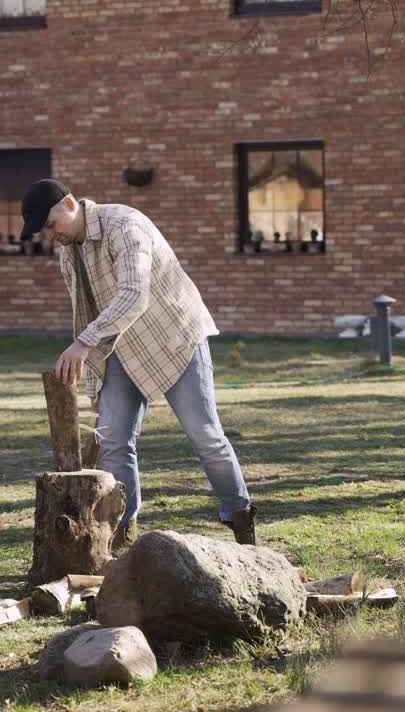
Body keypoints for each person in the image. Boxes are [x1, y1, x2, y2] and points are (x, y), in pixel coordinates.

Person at [17, 179, 256, 552]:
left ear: (69, 203)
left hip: (174, 338)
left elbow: (133, 295)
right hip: (119, 351)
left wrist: (82, 345)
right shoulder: (69, 254)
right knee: (112, 442)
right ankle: (123, 538)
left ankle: (240, 517)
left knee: (205, 435)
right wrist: (96, 385)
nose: (51, 236)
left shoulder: (125, 226)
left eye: (50, 225)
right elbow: (86, 317)